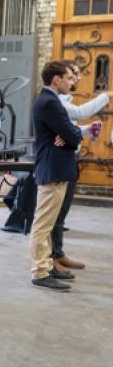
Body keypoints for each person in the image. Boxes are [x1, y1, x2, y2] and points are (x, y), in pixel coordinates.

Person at [30, 61, 83, 290]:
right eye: (68, 78)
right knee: (43, 224)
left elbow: (70, 134)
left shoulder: (50, 101)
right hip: (52, 168)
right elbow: (73, 135)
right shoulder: (50, 102)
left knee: (50, 223)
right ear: (56, 79)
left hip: (56, 167)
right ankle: (40, 272)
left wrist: (70, 135)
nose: (70, 82)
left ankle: (48, 264)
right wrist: (71, 136)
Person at [50, 61, 108, 273]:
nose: (77, 79)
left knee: (62, 213)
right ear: (58, 78)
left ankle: (58, 253)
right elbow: (81, 113)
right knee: (54, 215)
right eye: (72, 75)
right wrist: (106, 96)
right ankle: (51, 259)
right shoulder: (55, 101)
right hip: (58, 163)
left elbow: (71, 127)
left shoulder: (63, 100)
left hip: (69, 159)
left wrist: (80, 131)